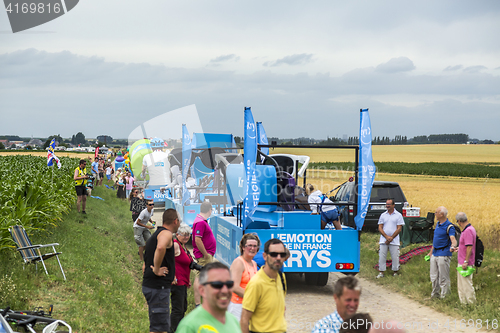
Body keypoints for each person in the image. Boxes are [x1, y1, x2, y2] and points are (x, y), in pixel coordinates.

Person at [142, 208, 180, 333]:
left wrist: (171, 275)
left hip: (153, 287)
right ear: (175, 221)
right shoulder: (166, 234)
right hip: (158, 288)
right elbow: (160, 247)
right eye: (179, 221)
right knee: (159, 329)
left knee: (159, 326)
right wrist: (157, 269)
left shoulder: (155, 235)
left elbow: (145, 262)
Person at [176, 262, 241, 333]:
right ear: (202, 290)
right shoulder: (190, 326)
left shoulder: (233, 320)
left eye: (229, 284)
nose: (225, 290)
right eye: (217, 285)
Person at [241, 238, 287, 333]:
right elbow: (244, 319)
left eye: (282, 255)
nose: (278, 258)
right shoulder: (256, 283)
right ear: (265, 256)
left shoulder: (281, 277)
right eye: (274, 254)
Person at [426, 206, 457, 299]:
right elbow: (435, 241)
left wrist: (453, 246)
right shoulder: (438, 225)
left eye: (436, 213)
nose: (435, 214)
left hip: (444, 254)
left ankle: (445, 296)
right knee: (434, 276)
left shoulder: (449, 226)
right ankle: (435, 295)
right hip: (435, 253)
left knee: (443, 277)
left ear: (441, 214)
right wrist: (430, 252)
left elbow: (453, 239)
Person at [228, 234, 260, 321]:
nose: (252, 248)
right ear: (243, 247)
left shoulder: (254, 263)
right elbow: (234, 286)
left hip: (248, 305)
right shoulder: (239, 262)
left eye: (255, 246)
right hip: (237, 306)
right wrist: (252, 298)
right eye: (249, 245)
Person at [170, 223, 195, 332]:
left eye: (188, 234)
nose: (186, 237)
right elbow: (167, 260)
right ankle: (172, 330)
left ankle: (179, 329)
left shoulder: (183, 246)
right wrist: (172, 275)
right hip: (177, 282)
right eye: (184, 235)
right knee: (178, 310)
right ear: (177, 235)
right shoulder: (175, 245)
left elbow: (188, 263)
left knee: (183, 308)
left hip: (183, 281)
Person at [192, 201, 216, 306]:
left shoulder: (200, 220)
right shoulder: (201, 222)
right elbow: (198, 239)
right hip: (204, 256)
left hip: (205, 254)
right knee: (200, 277)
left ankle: (204, 300)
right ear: (210, 210)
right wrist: (205, 254)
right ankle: (199, 303)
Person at [451, 212, 476, 304]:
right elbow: (465, 245)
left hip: (465, 263)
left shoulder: (468, 231)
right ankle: (464, 303)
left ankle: (471, 303)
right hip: (462, 261)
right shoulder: (469, 229)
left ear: (459, 221)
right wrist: (459, 248)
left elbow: (469, 246)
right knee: (461, 285)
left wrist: (466, 261)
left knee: (466, 284)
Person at [376, 199, 405, 278]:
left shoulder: (398, 215)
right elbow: (380, 227)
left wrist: (391, 238)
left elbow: (399, 228)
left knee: (395, 256)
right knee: (382, 256)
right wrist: (386, 237)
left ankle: (395, 271)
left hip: (394, 240)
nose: (387, 206)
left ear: (393, 205)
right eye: (386, 204)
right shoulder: (383, 215)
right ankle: (381, 272)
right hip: (383, 240)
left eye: (389, 204)